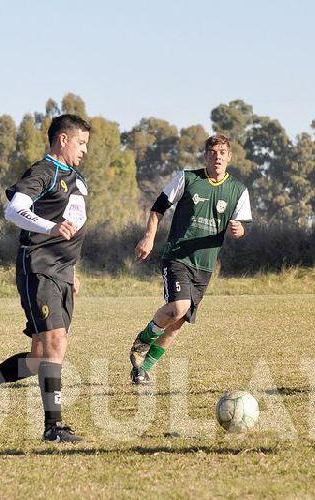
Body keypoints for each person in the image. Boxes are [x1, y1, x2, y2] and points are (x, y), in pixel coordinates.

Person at [0, 114, 91, 443]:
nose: (85, 150)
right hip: (39, 267)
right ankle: (53, 426)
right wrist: (49, 228)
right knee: (55, 344)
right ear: (63, 140)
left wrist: (72, 268)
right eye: (81, 143)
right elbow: (14, 210)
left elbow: (73, 224)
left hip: (61, 271)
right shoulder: (43, 171)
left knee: (38, 358)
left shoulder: (77, 178)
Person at [127, 133, 252, 385]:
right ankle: (143, 340)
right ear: (206, 156)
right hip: (178, 257)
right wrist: (149, 237)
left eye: (222, 153)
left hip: (204, 266)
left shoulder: (238, 190)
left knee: (177, 323)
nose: (217, 157)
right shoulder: (188, 179)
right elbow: (158, 208)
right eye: (213, 153)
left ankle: (144, 369)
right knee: (178, 307)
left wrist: (239, 230)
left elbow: (240, 225)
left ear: (229, 157)